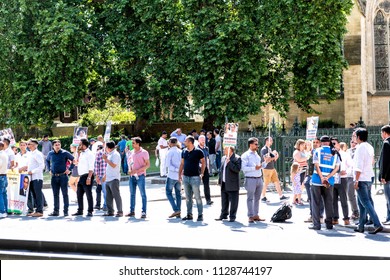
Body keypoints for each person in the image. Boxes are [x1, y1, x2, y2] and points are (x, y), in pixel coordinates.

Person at [353, 128, 383, 234]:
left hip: (361, 178)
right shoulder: (369, 146)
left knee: (365, 202)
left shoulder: (360, 148)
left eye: (354, 136)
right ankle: (361, 226)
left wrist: (356, 180)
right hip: (368, 177)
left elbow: (359, 165)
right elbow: (372, 161)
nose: (354, 138)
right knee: (362, 203)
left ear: (358, 137)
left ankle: (377, 224)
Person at [308, 135, 340, 230]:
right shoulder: (335, 152)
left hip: (317, 180)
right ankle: (329, 224)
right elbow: (337, 168)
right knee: (329, 203)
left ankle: (316, 225)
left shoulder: (317, 151)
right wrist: (327, 177)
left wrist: (322, 177)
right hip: (329, 182)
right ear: (329, 142)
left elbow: (316, 166)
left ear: (321, 142)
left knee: (316, 203)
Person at [241, 137, 269, 223]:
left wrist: (266, 161)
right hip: (250, 179)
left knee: (257, 198)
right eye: (256, 144)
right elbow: (244, 168)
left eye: (257, 144)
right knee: (250, 198)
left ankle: (256, 214)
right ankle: (250, 215)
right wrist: (254, 168)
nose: (258, 146)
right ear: (251, 144)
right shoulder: (245, 155)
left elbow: (261, 166)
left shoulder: (257, 155)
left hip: (259, 178)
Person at [179, 135, 205, 222]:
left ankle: (200, 214)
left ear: (190, 142)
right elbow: (182, 163)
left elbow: (203, 162)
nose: (184, 142)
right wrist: (179, 175)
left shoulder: (198, 151)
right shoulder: (184, 151)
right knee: (188, 197)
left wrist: (202, 173)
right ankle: (189, 214)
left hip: (195, 177)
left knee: (197, 197)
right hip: (186, 177)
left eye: (185, 141)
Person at [46, 140, 74, 217]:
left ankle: (65, 211)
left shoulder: (65, 153)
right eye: (56, 145)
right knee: (55, 194)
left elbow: (73, 160)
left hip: (63, 176)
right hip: (54, 176)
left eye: (59, 144)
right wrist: (49, 169)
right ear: (53, 146)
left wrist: (69, 169)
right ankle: (56, 211)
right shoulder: (50, 153)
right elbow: (47, 160)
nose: (58, 146)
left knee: (65, 194)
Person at [126, 137, 150, 219]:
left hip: (140, 176)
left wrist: (138, 170)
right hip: (132, 176)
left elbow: (148, 165)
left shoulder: (144, 152)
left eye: (133, 143)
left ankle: (144, 211)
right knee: (132, 194)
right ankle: (132, 211)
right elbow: (130, 163)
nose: (132, 144)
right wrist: (130, 170)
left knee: (143, 194)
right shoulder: (131, 153)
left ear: (138, 144)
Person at [216, 146, 241, 222]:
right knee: (224, 200)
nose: (223, 150)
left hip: (232, 184)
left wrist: (229, 162)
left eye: (225, 149)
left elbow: (237, 169)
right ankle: (223, 214)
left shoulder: (237, 158)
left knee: (233, 201)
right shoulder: (223, 158)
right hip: (224, 183)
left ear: (230, 150)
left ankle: (232, 216)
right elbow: (222, 170)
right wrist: (220, 180)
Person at [260, 136, 289, 202]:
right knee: (266, 183)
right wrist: (274, 156)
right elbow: (266, 159)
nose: (272, 142)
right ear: (267, 141)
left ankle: (281, 196)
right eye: (271, 140)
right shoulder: (264, 149)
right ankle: (263, 196)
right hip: (267, 168)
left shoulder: (269, 149)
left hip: (272, 168)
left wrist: (276, 155)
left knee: (276, 181)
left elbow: (274, 159)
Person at [72, 138, 95, 217]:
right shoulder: (81, 153)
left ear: (84, 145)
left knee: (88, 194)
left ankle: (90, 210)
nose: (79, 146)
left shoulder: (90, 154)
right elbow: (78, 163)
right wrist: (77, 154)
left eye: (80, 144)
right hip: (81, 176)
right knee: (79, 194)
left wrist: (89, 177)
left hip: (87, 175)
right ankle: (80, 210)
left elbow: (91, 167)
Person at [331, 137, 351, 226]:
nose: (333, 145)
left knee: (343, 199)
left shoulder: (344, 154)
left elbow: (351, 165)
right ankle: (335, 218)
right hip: (332, 178)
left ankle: (346, 218)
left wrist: (346, 171)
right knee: (333, 200)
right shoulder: (330, 154)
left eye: (334, 143)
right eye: (331, 144)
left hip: (342, 178)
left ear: (338, 144)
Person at [102, 141, 123, 217]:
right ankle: (110, 211)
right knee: (108, 197)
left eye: (106, 147)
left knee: (116, 195)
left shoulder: (115, 154)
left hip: (114, 178)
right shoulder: (110, 154)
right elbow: (108, 167)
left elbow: (114, 165)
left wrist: (106, 159)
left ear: (109, 148)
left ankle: (120, 211)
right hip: (108, 178)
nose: (105, 149)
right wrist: (105, 176)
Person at [26, 139, 45, 217]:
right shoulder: (30, 154)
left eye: (30, 144)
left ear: (35, 145)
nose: (28, 146)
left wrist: (32, 171)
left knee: (38, 194)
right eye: (28, 144)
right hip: (31, 178)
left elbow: (42, 166)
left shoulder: (38, 154)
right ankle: (36, 210)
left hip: (37, 177)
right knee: (34, 194)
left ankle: (40, 211)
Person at [165, 137, 182, 218]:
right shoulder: (180, 151)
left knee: (168, 192)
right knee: (178, 194)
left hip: (172, 175)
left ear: (171, 143)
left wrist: (176, 170)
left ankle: (176, 210)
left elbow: (168, 165)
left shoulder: (170, 152)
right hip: (179, 175)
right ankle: (178, 210)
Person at [197, 135, 213, 205]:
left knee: (206, 185)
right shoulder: (196, 149)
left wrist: (208, 168)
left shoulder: (206, 148)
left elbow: (207, 159)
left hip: (205, 168)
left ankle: (208, 199)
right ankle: (195, 199)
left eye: (204, 139)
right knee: (196, 185)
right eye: (201, 139)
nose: (203, 141)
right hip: (198, 169)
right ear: (198, 141)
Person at [379, 124, 390, 225]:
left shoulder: (386, 143)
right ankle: (388, 216)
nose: (381, 135)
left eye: (381, 133)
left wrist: (383, 176)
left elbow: (385, 162)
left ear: (385, 133)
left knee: (388, 198)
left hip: (388, 177)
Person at [347, 136, 359, 220]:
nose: (353, 144)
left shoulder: (358, 151)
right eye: (352, 142)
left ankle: (357, 212)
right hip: (349, 174)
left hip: (356, 174)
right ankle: (355, 211)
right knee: (350, 194)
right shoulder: (347, 151)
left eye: (355, 143)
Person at [94, 144, 107, 211]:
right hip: (102, 175)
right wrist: (97, 176)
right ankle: (104, 205)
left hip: (108, 175)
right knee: (104, 191)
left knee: (106, 191)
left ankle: (106, 205)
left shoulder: (112, 153)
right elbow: (96, 165)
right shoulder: (99, 153)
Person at [0, 141, 8, 218]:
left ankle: (2, 211)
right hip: (4, 175)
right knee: (4, 194)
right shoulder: (4, 154)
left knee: (1, 194)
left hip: (0, 176)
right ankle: (5, 210)